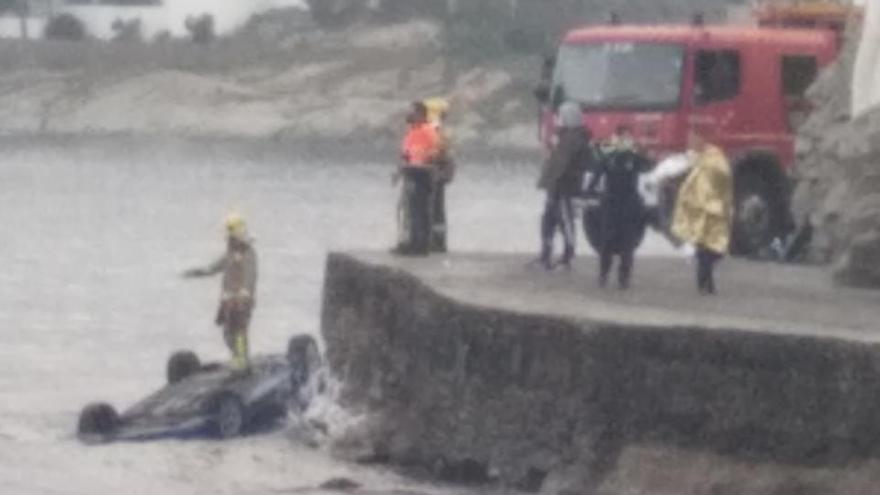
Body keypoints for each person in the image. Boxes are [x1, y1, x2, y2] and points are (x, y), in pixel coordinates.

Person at [183, 212, 258, 369]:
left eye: (232, 230)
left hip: (242, 301)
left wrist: (245, 291)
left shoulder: (248, 253)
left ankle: (242, 361)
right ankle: (238, 357)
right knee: (228, 333)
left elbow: (250, 274)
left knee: (240, 332)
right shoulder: (229, 254)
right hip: (228, 300)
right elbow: (213, 268)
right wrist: (197, 272)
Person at [671, 122, 734, 295]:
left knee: (713, 249)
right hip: (699, 211)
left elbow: (722, 181)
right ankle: (705, 284)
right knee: (703, 249)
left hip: (711, 210)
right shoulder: (698, 159)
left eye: (693, 137)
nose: (690, 141)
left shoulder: (714, 159)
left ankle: (705, 282)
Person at [587, 125, 650, 289]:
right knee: (607, 242)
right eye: (622, 137)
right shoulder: (608, 155)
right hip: (611, 203)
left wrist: (643, 151)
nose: (625, 141)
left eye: (628, 137)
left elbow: (649, 167)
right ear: (616, 138)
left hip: (630, 204)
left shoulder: (634, 155)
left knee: (627, 244)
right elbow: (596, 174)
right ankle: (603, 274)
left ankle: (624, 278)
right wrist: (590, 193)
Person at [536, 101, 595, 270]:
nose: (557, 119)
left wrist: (553, 180)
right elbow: (554, 162)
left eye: (560, 116)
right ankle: (545, 255)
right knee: (548, 221)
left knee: (565, 221)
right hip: (555, 187)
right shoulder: (563, 137)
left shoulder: (574, 139)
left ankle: (567, 257)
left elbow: (563, 164)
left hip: (565, 187)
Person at [394, 101, 439, 256]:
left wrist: (425, 163)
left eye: (412, 112)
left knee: (420, 210)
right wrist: (401, 169)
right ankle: (410, 241)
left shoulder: (428, 130)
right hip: (411, 171)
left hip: (423, 173)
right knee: (409, 210)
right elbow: (406, 153)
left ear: (420, 114)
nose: (409, 115)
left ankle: (421, 244)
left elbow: (433, 153)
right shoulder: (412, 131)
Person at [424, 97, 454, 253]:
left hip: (433, 173)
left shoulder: (433, 129)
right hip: (439, 173)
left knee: (432, 209)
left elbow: (439, 152)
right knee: (438, 210)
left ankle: (434, 241)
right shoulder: (440, 129)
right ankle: (438, 241)